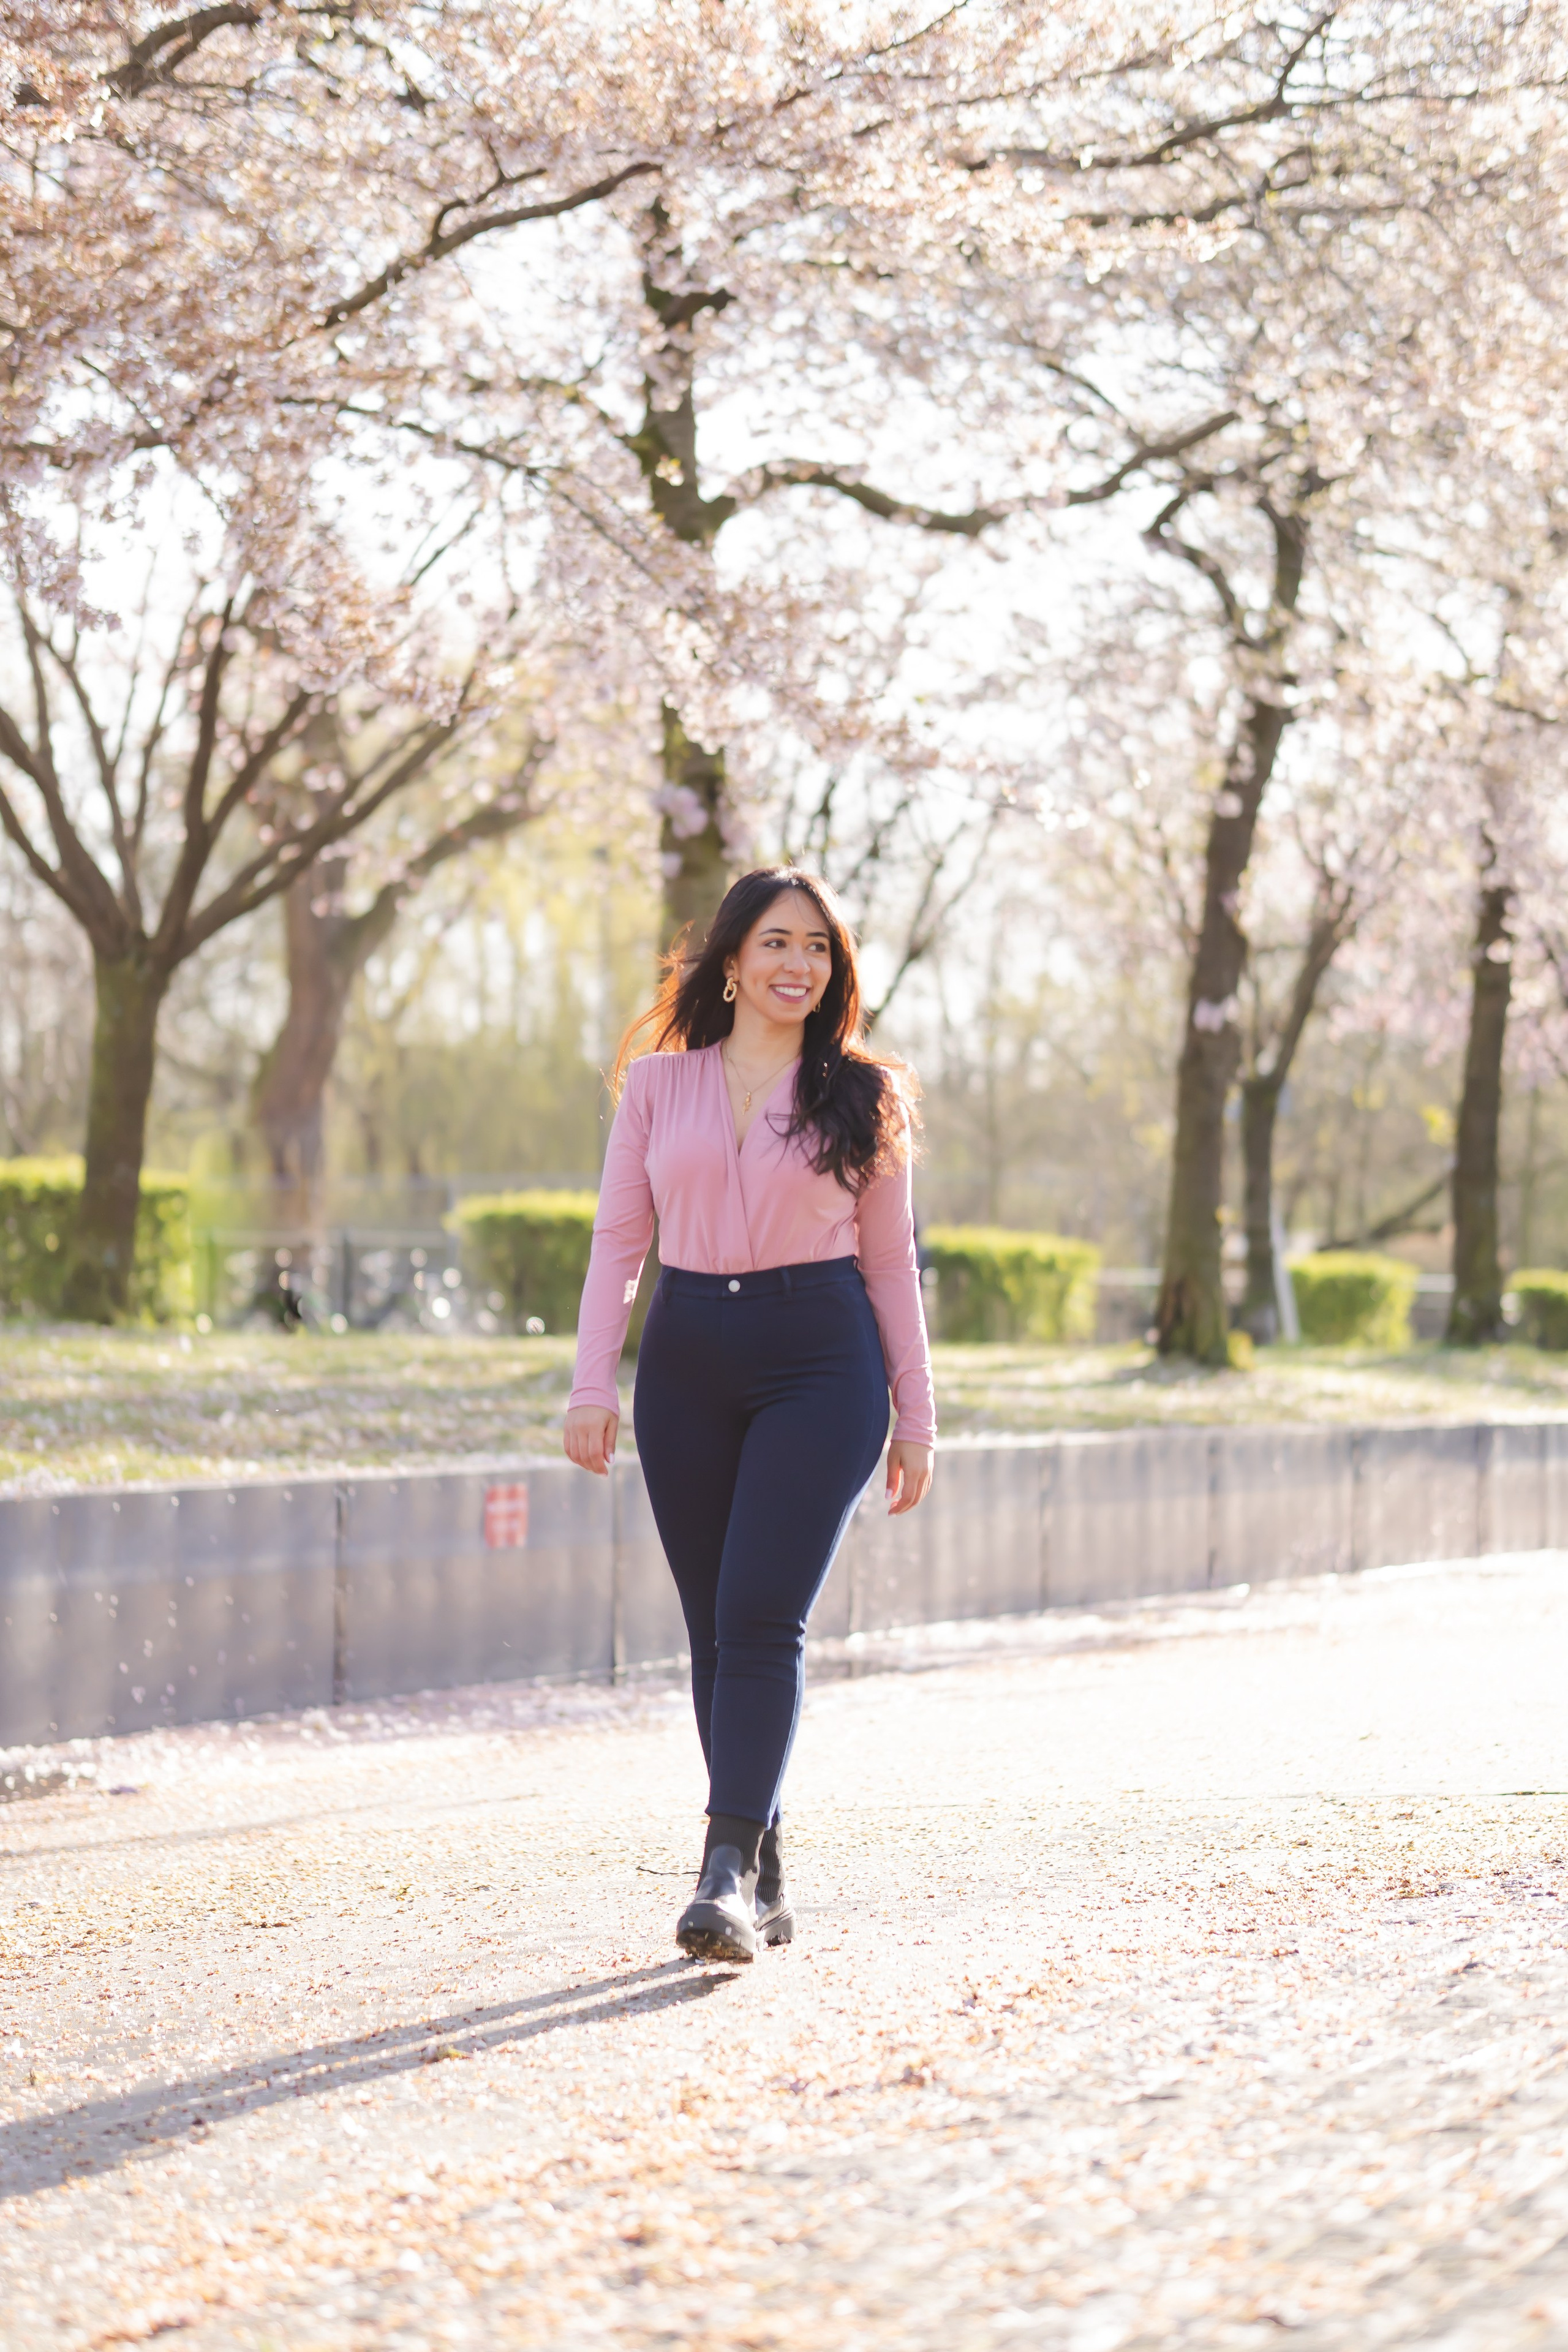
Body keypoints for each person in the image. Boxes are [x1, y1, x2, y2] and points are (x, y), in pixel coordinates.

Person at [562, 867, 935, 1963]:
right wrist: (592, 1384)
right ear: (731, 960)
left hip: (820, 1359)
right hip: (688, 1361)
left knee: (763, 1613)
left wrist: (917, 1414)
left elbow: (892, 1267)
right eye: (777, 943)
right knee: (713, 1628)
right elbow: (616, 1247)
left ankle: (720, 1873)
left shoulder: (864, 1097)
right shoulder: (657, 1090)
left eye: (819, 949)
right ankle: (762, 1861)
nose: (798, 966)